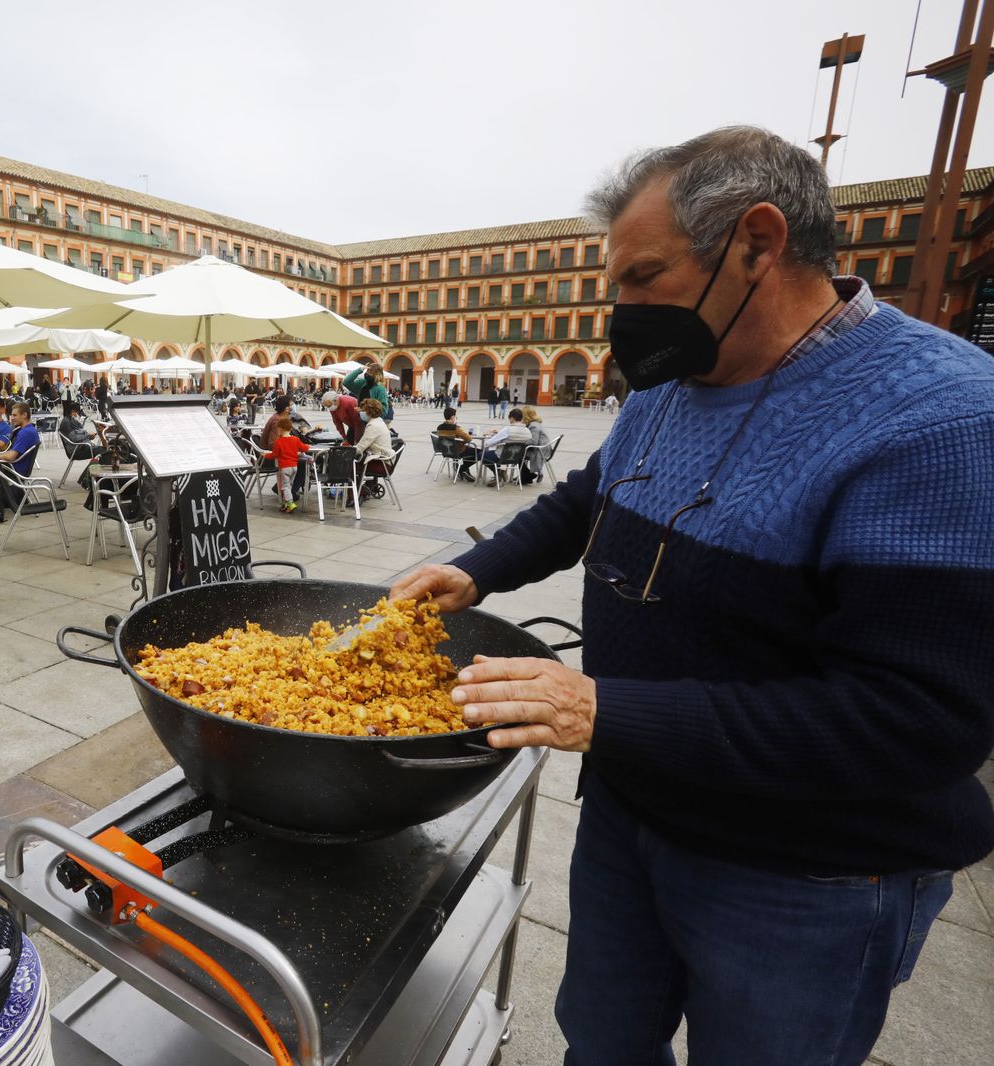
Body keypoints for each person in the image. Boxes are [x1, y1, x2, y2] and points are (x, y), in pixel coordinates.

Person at [390, 125, 994, 1065]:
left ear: (758, 245)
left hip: (807, 879)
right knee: (599, 1038)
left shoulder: (941, 417)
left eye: (642, 278)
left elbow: (916, 718)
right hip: (633, 817)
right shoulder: (672, 382)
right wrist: (480, 569)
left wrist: (599, 707)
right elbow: (591, 499)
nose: (619, 311)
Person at [266, 420, 310, 514]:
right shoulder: (295, 439)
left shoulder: (279, 441)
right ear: (290, 429)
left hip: (285, 468)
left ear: (280, 429)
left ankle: (290, 503)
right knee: (289, 485)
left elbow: (274, 455)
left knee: (285, 486)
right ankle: (286, 504)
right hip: (294, 467)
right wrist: (307, 446)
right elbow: (304, 448)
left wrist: (264, 455)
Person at [519, 404, 549, 484]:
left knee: (517, 455)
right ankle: (526, 474)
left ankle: (526, 475)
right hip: (542, 448)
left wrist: (521, 441)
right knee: (519, 454)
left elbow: (533, 441)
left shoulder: (533, 426)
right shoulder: (535, 423)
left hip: (540, 450)